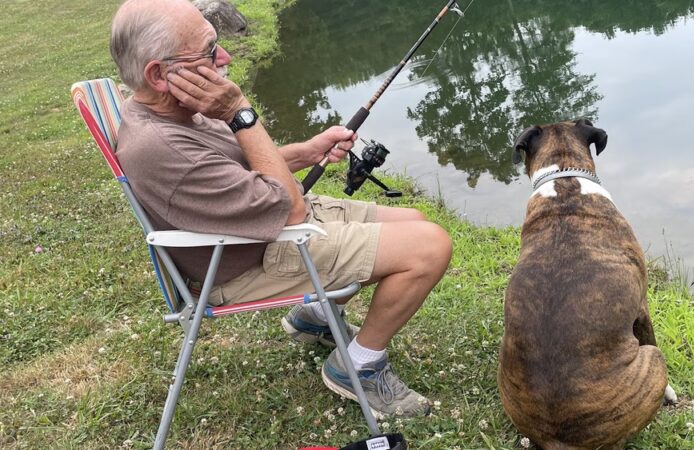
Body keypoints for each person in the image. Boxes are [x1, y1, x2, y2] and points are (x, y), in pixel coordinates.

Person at [109, 0, 452, 418]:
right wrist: (241, 114)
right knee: (430, 247)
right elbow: (289, 210)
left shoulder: (171, 111)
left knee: (415, 221)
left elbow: (240, 164)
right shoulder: (161, 148)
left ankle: (313, 317)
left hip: (260, 228)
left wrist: (307, 152)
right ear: (160, 75)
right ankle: (357, 366)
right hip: (247, 259)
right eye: (209, 51)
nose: (225, 58)